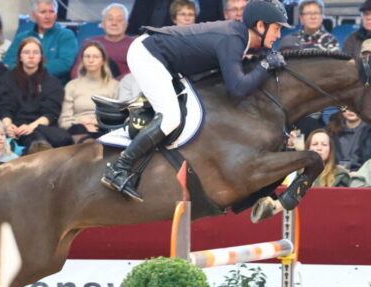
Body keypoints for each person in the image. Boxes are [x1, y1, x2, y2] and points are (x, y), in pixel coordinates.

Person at [102, 0, 292, 201]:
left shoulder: (237, 36)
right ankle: (119, 168)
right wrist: (264, 66)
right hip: (148, 55)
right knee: (171, 118)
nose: (279, 35)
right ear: (260, 25)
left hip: (164, 59)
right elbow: (237, 89)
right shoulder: (233, 39)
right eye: (277, 28)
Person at [0, 37, 68, 152]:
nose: (31, 56)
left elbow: (50, 114)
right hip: (13, 126)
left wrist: (31, 127)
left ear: (41, 57)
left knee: (38, 140)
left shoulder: (52, 82)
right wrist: (8, 126)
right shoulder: (7, 79)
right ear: (20, 56)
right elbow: (5, 106)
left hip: (39, 127)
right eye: (26, 52)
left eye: (35, 52)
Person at [3, 0, 78, 83]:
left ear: (56, 15)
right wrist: (24, 73)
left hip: (54, 86)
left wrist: (32, 70)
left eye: (51, 11)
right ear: (34, 15)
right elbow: (8, 62)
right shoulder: (22, 37)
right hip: (23, 84)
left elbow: (65, 63)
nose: (48, 16)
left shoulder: (66, 35)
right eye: (43, 12)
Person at [60, 42, 120, 142]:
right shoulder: (72, 86)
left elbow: (116, 118)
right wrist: (81, 123)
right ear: (82, 60)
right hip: (76, 129)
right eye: (87, 56)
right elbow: (64, 121)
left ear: (103, 60)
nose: (91, 60)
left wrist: (94, 123)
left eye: (96, 57)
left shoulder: (114, 86)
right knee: (78, 132)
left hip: (103, 129)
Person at [70, 4, 135, 80]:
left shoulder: (135, 45)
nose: (114, 23)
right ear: (103, 23)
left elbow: (136, 73)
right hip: (90, 85)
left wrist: (110, 84)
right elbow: (76, 71)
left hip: (122, 87)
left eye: (119, 20)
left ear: (126, 24)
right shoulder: (90, 43)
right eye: (110, 19)